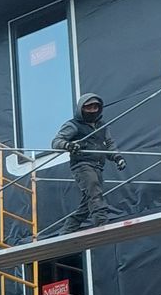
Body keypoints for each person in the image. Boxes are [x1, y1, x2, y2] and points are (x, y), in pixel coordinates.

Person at [53, 93, 125, 232]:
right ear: (81, 109)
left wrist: (118, 158)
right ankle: (101, 223)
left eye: (95, 107)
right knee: (94, 192)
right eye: (88, 107)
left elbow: (109, 144)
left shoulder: (102, 126)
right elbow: (56, 142)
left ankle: (68, 229)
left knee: (88, 202)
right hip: (82, 165)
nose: (92, 110)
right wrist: (69, 145)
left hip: (98, 166)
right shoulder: (73, 125)